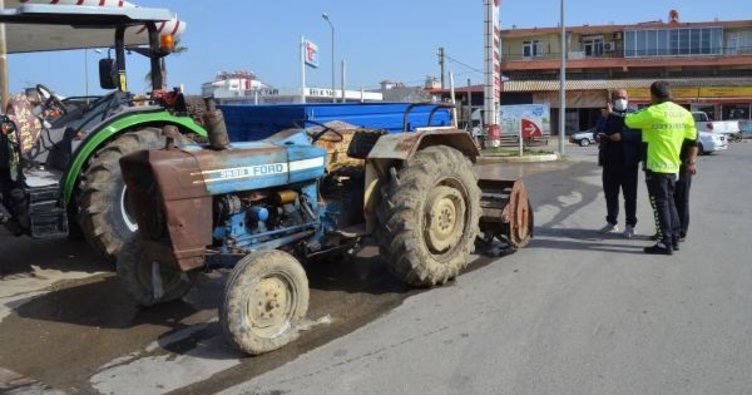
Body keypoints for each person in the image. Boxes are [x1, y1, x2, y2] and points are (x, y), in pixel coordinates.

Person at [625, 81, 698, 255]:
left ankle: (664, 243)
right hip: (673, 166)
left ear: (653, 96)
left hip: (656, 166)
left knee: (661, 206)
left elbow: (629, 121)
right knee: (670, 203)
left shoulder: (652, 111)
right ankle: (673, 238)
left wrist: (648, 108)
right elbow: (691, 138)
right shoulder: (684, 113)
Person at [597, 89, 641, 238]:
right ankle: (611, 222)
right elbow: (597, 130)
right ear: (612, 100)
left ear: (628, 98)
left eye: (623, 97)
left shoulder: (635, 114)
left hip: (628, 162)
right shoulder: (605, 114)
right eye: (617, 97)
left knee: (630, 196)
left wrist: (622, 136)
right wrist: (597, 135)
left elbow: (639, 134)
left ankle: (630, 225)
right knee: (610, 195)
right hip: (609, 161)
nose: (620, 100)